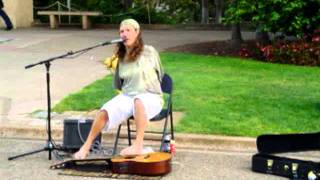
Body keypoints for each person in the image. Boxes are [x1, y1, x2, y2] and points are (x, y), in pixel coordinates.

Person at [74, 19, 164, 159]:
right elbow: (118, 84)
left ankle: (138, 145)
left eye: (128, 30)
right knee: (105, 110)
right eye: (122, 31)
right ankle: (86, 147)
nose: (124, 34)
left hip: (151, 96)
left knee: (139, 101)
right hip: (128, 96)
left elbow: (161, 74)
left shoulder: (150, 52)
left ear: (137, 32)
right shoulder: (121, 58)